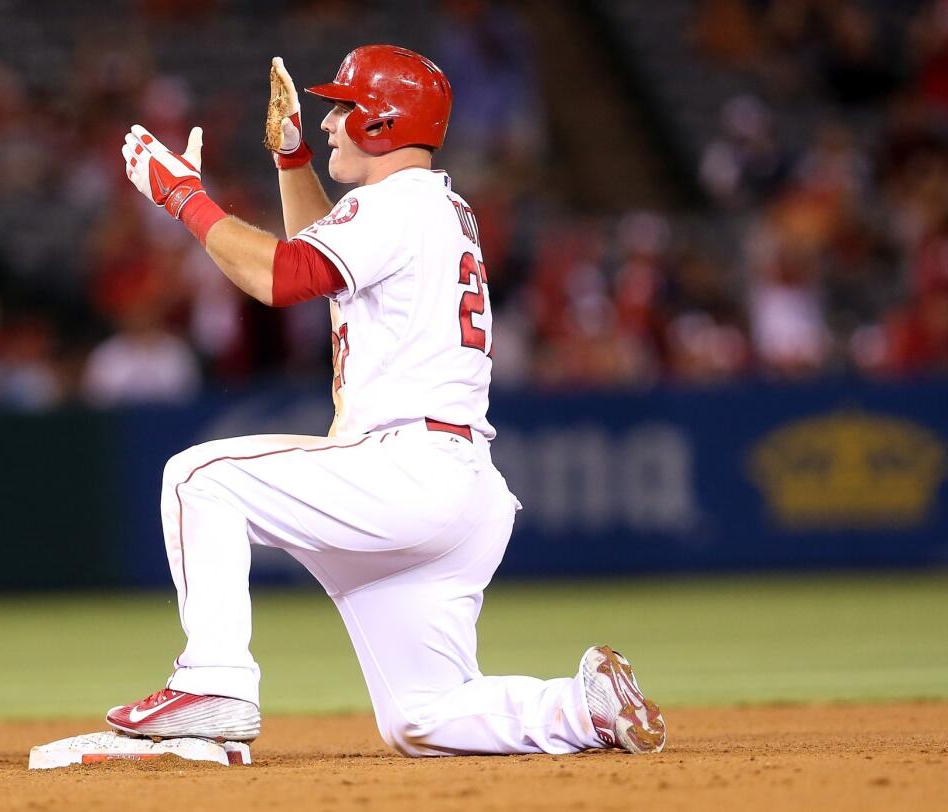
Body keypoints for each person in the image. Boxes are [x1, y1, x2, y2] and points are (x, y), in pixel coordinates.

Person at [106, 45, 666, 757]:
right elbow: (323, 261)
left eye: (342, 108)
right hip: (455, 489)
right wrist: (292, 159)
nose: (331, 121)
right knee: (422, 717)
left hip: (408, 466)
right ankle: (581, 709)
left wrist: (183, 196)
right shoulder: (431, 206)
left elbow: (281, 277)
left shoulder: (399, 204)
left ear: (382, 122)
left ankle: (214, 682)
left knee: (198, 478)